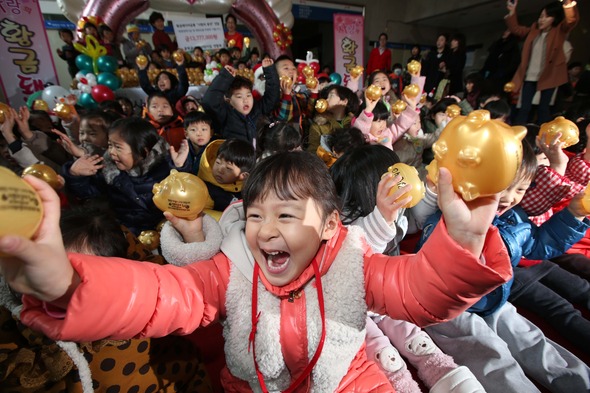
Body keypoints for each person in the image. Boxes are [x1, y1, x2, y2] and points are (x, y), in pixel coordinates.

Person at [0, 147, 512, 392]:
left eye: (287, 215)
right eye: (256, 215)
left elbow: (418, 292)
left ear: (332, 224)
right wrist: (68, 284)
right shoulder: (232, 269)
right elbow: (164, 294)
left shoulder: (354, 265)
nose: (267, 231)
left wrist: (463, 243)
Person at [419, 141, 590, 392]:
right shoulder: (450, 218)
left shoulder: (513, 220)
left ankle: (581, 384)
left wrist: (573, 214)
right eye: (504, 187)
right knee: (491, 354)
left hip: (494, 300)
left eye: (520, 188)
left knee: (532, 341)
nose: (510, 198)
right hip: (449, 308)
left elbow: (540, 244)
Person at [0, 205, 214, 392]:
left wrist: (194, 239)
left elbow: (185, 292)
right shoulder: (19, 311)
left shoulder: (137, 294)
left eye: (78, 276)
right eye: (50, 273)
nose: (59, 288)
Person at [330, 145, 483, 393]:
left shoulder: (396, 212)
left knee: (417, 340)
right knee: (380, 349)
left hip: (388, 294)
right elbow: (358, 250)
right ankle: (401, 383)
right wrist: (382, 216)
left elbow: (412, 223)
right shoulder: (347, 222)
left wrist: (430, 192)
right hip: (354, 304)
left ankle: (447, 376)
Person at [61, 117, 175, 236]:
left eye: (118, 147)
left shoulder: (168, 170)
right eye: (110, 145)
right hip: (127, 232)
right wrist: (75, 175)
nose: (111, 152)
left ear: (143, 151)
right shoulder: (109, 171)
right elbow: (87, 192)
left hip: (166, 232)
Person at [506, 0, 579, 125]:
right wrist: (512, 11)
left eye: (547, 16)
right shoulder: (534, 30)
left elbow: (571, 21)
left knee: (543, 109)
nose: (542, 19)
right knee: (524, 108)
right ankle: (518, 133)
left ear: (555, 18)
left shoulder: (559, 30)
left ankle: (542, 136)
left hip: (549, 76)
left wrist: (568, 5)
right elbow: (516, 29)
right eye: (541, 16)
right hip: (530, 76)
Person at [202, 60, 280, 144]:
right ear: (228, 100)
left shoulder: (257, 109)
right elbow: (209, 102)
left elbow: (272, 97)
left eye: (248, 95)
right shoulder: (225, 115)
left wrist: (269, 70)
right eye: (239, 96)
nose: (245, 100)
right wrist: (225, 76)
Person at [196, 138, 255, 212]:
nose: (220, 170)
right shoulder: (204, 189)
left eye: (228, 168)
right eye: (218, 162)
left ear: (243, 176)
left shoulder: (247, 191)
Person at [353, 88, 418, 150]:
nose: (382, 125)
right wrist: (368, 110)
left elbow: (400, 126)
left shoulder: (387, 134)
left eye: (384, 120)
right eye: (378, 121)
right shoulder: (364, 138)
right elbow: (359, 130)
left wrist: (411, 108)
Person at [307, 85, 359, 154]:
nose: (326, 100)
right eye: (327, 97)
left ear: (344, 101)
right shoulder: (318, 125)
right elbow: (312, 151)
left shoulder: (355, 124)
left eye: (331, 96)